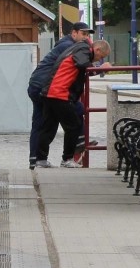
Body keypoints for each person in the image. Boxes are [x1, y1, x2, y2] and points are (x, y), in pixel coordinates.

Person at [34, 39, 112, 168]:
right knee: (74, 125)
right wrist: (100, 69)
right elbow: (82, 64)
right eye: (101, 57)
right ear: (97, 50)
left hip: (50, 92)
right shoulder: (84, 50)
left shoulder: (78, 49)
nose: (99, 60)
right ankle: (67, 159)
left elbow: (81, 68)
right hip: (60, 93)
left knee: (48, 127)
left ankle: (40, 160)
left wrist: (96, 69)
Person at [27, 22, 91, 169]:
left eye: (88, 35)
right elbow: (80, 64)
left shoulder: (64, 44)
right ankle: (79, 141)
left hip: (36, 85)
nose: (86, 38)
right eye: (83, 34)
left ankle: (35, 159)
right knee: (75, 109)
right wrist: (99, 69)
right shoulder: (70, 47)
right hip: (45, 87)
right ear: (73, 33)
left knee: (41, 123)